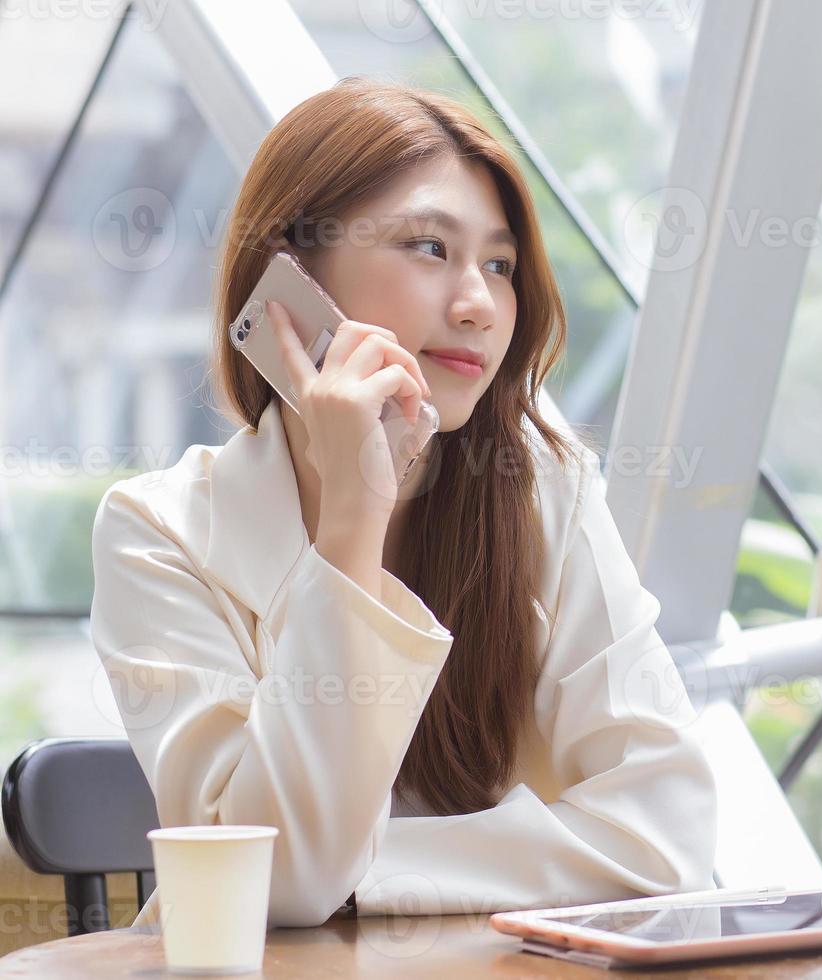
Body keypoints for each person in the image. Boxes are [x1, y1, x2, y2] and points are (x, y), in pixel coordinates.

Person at [90, 77, 718, 929]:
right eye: (430, 248)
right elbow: (277, 886)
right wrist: (352, 522)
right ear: (289, 281)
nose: (478, 305)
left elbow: (665, 835)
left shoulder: (545, 492)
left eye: (499, 265)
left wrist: (371, 875)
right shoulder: (159, 531)